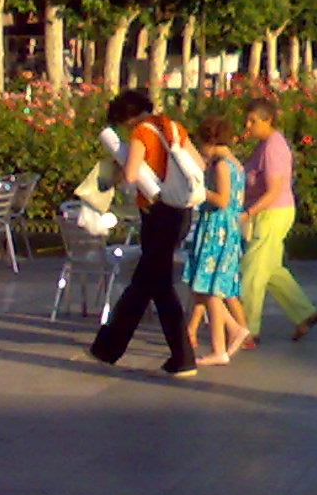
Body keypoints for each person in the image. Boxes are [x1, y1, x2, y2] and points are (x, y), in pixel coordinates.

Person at [89, 89, 199, 377]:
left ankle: (181, 356)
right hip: (180, 211)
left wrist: (122, 161)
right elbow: (197, 164)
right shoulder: (174, 127)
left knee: (152, 285)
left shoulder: (142, 132)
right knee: (149, 283)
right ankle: (111, 347)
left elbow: (131, 174)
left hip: (156, 213)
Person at [239, 96, 317, 344]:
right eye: (247, 121)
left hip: (272, 212)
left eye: (253, 121)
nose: (248, 126)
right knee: (271, 269)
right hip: (269, 211)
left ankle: (248, 330)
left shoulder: (274, 146)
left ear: (268, 120)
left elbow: (274, 189)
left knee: (251, 272)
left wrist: (248, 214)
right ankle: (304, 313)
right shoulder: (264, 144)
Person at [184, 115, 250, 368]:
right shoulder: (235, 163)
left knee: (211, 289)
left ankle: (219, 347)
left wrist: (200, 192)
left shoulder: (222, 165)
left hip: (217, 228)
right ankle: (233, 329)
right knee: (206, 286)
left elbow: (222, 199)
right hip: (227, 227)